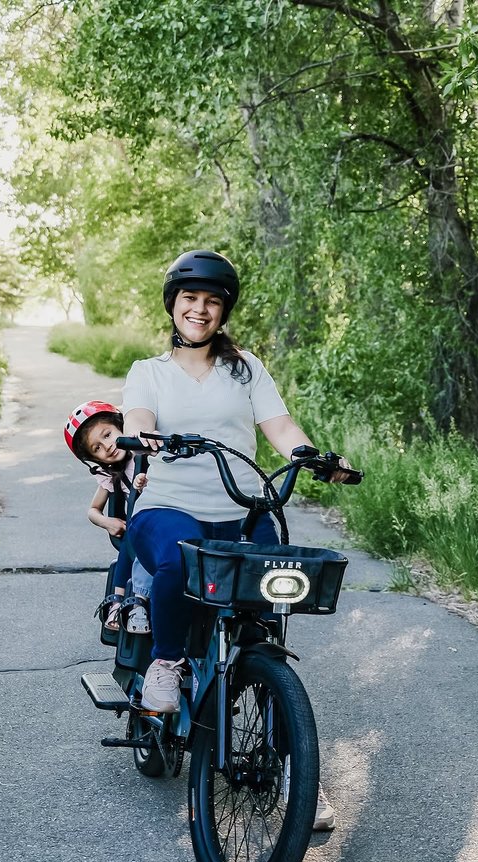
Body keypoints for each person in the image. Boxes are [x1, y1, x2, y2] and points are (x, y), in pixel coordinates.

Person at [122, 249, 352, 830]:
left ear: (224, 312)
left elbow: (277, 425)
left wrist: (306, 455)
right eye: (190, 299)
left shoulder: (245, 367)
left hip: (241, 505)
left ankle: (297, 775)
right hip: (169, 503)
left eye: (212, 301)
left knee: (267, 617)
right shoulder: (148, 371)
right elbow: (138, 421)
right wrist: (149, 440)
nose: (199, 310)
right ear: (173, 305)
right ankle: (167, 667)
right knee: (179, 564)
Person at [64, 400, 152, 634]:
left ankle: (128, 599)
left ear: (120, 425)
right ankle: (120, 601)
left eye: (108, 435)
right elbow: (93, 510)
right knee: (132, 534)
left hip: (162, 518)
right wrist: (108, 522)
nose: (107, 447)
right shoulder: (112, 474)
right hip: (138, 530)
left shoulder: (143, 452)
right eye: (97, 448)